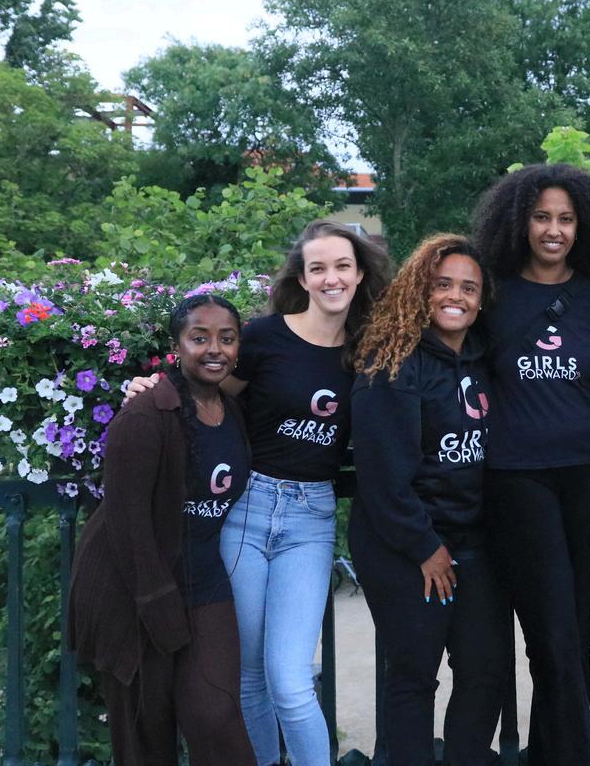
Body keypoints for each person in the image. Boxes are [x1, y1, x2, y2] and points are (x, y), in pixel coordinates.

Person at [124, 221, 393, 766]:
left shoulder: (369, 350)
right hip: (245, 509)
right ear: (303, 278)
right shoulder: (267, 337)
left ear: (360, 274)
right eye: (318, 268)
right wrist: (150, 390)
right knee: (247, 675)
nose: (331, 277)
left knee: (290, 680)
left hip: (310, 519)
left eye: (342, 266)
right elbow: (206, 391)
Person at [472, 163, 590, 766]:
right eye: (542, 217)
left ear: (584, 225)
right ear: (520, 222)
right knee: (553, 637)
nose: (554, 230)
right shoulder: (491, 292)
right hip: (517, 479)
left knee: (573, 633)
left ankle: (550, 753)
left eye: (566, 218)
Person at [69, 295, 255, 766]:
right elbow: (127, 526)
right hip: (134, 592)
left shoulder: (232, 410)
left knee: (216, 715)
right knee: (146, 735)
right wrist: (158, 608)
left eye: (227, 338)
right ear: (176, 347)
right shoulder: (145, 415)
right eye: (199, 338)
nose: (214, 349)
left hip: (204, 582)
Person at [347, 233, 511, 766]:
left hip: (472, 539)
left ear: (482, 299)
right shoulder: (392, 365)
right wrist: (425, 547)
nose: (455, 296)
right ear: (421, 290)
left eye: (469, 287)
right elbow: (383, 479)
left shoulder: (486, 359)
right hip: (405, 543)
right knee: (415, 672)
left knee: (485, 669)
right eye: (443, 284)